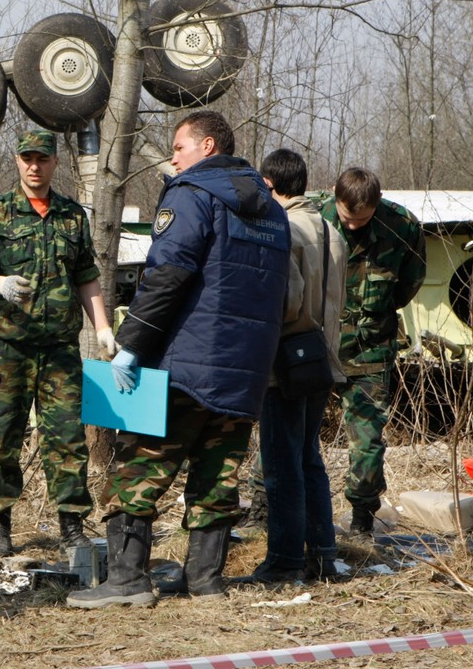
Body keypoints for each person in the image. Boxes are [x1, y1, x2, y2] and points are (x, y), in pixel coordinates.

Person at [67, 110, 290, 610]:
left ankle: (127, 579)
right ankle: (205, 581)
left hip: (187, 367)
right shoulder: (272, 211)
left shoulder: (192, 195)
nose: (173, 158)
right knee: (218, 474)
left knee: (138, 469)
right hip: (245, 371)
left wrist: (132, 344)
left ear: (208, 146)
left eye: (179, 147)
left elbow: (167, 275)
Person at [0, 129, 118, 556]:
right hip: (9, 347)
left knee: (67, 438)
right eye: (27, 159)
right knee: (2, 436)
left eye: (42, 159)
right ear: (17, 161)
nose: (34, 166)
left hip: (59, 349)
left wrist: (103, 328)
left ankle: (71, 527)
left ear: (55, 162)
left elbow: (86, 276)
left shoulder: (72, 216)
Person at [246, 149, 348, 584]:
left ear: (269, 184)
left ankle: (285, 560)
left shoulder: (281, 229)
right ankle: (323, 555)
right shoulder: (331, 230)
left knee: (281, 464)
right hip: (322, 361)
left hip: (285, 364)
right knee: (309, 459)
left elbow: (287, 302)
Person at [320, 167, 426, 537]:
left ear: (377, 205)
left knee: (367, 442)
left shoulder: (402, 226)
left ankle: (362, 518)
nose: (352, 226)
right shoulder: (313, 218)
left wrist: (373, 315)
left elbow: (410, 282)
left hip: (370, 350)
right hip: (316, 346)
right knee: (289, 429)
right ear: (335, 197)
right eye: (347, 218)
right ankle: (265, 508)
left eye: (361, 220)